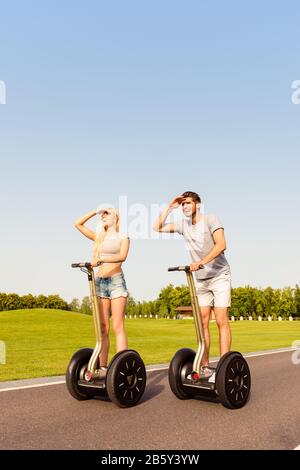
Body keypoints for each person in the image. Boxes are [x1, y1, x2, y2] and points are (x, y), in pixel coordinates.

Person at [153, 191, 232, 378]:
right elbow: (157, 227)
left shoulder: (211, 219)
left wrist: (201, 262)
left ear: (197, 204)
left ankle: (224, 367)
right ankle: (204, 366)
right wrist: (170, 207)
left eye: (188, 203)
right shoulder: (183, 225)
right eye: (183, 205)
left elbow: (222, 244)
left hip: (220, 275)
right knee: (202, 322)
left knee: (221, 320)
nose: (185, 207)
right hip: (201, 279)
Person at [74, 207, 130, 376]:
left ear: (116, 217)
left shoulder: (123, 236)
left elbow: (122, 256)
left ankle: (122, 365)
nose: (104, 216)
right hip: (99, 282)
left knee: (117, 326)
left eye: (108, 213)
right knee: (103, 327)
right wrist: (94, 212)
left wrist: (102, 259)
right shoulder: (99, 237)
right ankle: (103, 368)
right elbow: (77, 224)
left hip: (116, 282)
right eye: (103, 215)